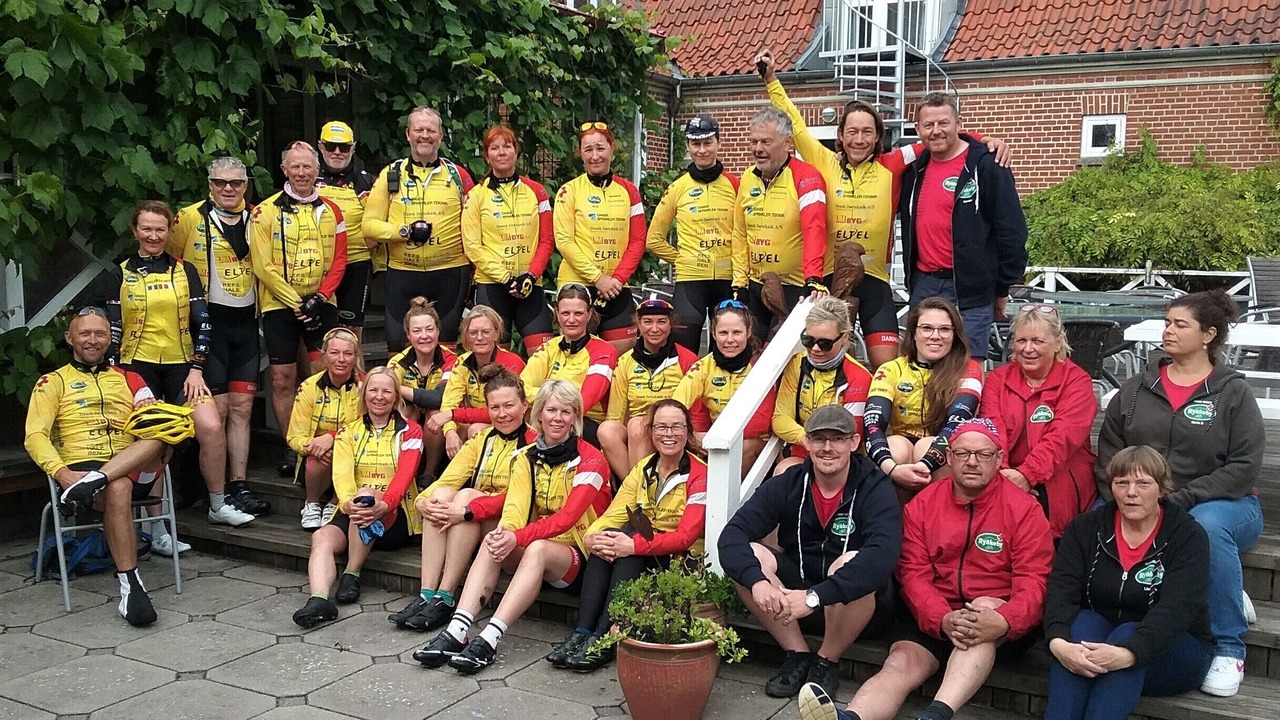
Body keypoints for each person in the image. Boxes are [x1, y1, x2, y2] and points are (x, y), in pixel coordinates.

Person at [757, 50, 1011, 369]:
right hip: (833, 279)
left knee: (887, 365)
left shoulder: (892, 164)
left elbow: (940, 137)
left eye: (867, 132)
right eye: (852, 132)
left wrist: (985, 141)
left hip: (876, 279)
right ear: (840, 136)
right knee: (826, 360)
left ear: (878, 136)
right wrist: (771, 81)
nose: (859, 139)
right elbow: (793, 122)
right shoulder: (824, 162)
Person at [801, 419, 1053, 720]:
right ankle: (850, 717)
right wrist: (942, 618)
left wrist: (1005, 620)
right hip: (934, 615)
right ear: (948, 458)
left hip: (1000, 624)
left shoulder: (1024, 508)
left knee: (980, 614)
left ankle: (935, 715)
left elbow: (1034, 580)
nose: (972, 462)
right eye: (962, 453)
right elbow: (912, 573)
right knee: (899, 663)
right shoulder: (923, 505)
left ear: (999, 459)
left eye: (983, 454)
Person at [1095, 289, 1265, 697]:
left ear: (1208, 335)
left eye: (1179, 324)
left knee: (1204, 530)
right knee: (1093, 520)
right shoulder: (1136, 389)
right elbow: (1108, 452)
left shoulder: (1233, 392)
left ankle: (1228, 645)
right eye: (1167, 322)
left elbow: (1244, 467)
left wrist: (1179, 500)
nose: (1167, 331)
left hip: (1224, 503)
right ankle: (1098, 624)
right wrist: (1127, 496)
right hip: (1140, 497)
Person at [413, 380, 611, 674]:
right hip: (533, 547)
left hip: (578, 556)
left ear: (576, 418)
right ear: (539, 414)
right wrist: (507, 534)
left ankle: (489, 640)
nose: (557, 418)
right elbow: (515, 509)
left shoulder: (592, 460)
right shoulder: (525, 457)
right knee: (497, 537)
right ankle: (457, 630)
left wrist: (516, 536)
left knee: (536, 548)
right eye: (551, 410)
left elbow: (567, 518)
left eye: (566, 412)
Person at [719, 405, 900, 699]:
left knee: (853, 561)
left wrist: (815, 597)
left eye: (838, 439)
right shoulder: (790, 483)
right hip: (794, 601)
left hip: (856, 610)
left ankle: (826, 660)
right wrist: (758, 582)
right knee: (749, 556)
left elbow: (883, 556)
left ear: (854, 443)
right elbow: (732, 535)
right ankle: (797, 654)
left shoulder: (874, 486)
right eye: (819, 439)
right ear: (806, 442)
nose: (827, 448)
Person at [25, 307, 191, 626]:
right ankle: (131, 586)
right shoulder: (52, 382)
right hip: (81, 470)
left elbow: (154, 420)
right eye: (85, 333)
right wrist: (63, 474)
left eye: (100, 333)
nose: (93, 340)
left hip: (134, 466)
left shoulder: (127, 378)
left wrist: (150, 408)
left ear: (109, 339)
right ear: (69, 338)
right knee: (118, 485)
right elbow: (34, 437)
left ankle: (98, 480)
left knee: (163, 431)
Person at [107, 200, 255, 528]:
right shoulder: (121, 271)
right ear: (135, 231)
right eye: (146, 228)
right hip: (136, 367)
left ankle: (218, 504)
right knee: (153, 439)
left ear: (169, 230)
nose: (154, 235)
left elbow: (203, 323)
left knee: (211, 426)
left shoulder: (184, 269)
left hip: (183, 366)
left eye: (160, 229)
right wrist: (117, 370)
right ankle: (156, 526)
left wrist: (197, 368)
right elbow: (113, 327)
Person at [1043, 446, 1212, 720]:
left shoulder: (1188, 536)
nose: (1131, 492)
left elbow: (1176, 611)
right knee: (1081, 629)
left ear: (1162, 488)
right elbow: (1061, 591)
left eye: (1143, 483)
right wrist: (1058, 643)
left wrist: (1128, 653)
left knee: (1126, 637)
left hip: (1174, 650)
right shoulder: (1085, 528)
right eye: (1122, 483)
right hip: (1099, 641)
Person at [551, 398, 709, 672]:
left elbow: (685, 537)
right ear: (651, 432)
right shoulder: (645, 467)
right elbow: (615, 512)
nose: (668, 434)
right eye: (661, 427)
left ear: (688, 432)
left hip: (680, 562)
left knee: (627, 550)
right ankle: (582, 632)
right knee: (609, 540)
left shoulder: (700, 475)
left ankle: (604, 637)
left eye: (676, 427)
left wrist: (633, 545)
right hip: (646, 550)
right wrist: (593, 535)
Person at [389, 366, 536, 632]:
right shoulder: (481, 440)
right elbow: (447, 479)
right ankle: (426, 593)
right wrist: (423, 500)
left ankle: (446, 596)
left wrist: (468, 510)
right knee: (442, 495)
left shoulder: (535, 444)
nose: (502, 414)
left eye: (509, 406)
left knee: (467, 497)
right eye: (494, 407)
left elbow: (518, 498)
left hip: (513, 528)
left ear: (525, 406)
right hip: (473, 520)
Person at [169, 157, 270, 517]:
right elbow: (172, 264)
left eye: (236, 183)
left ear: (247, 185)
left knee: (243, 408)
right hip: (210, 323)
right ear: (209, 184)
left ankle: (239, 485)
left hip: (246, 322)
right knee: (220, 409)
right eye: (220, 182)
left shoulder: (260, 216)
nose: (228, 189)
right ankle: (215, 488)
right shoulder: (190, 218)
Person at [899, 93, 1028, 359]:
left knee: (967, 366)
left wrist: (1002, 286)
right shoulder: (913, 171)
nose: (936, 131)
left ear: (959, 123)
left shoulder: (989, 166)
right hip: (924, 284)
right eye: (929, 125)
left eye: (944, 123)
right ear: (918, 130)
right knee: (920, 364)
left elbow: (1012, 233)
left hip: (971, 288)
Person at [292, 367, 424, 627]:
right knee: (321, 537)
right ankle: (319, 600)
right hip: (355, 509)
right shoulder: (347, 432)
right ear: (364, 395)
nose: (379, 396)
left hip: (395, 514)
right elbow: (341, 476)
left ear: (396, 396)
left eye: (387, 391)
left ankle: (352, 573)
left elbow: (405, 476)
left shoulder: (411, 431)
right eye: (373, 390)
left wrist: (383, 503)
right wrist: (347, 503)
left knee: (365, 497)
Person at [250, 141, 349, 460]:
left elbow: (340, 258)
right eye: (296, 166)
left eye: (308, 166)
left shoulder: (333, 210)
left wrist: (320, 298)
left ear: (318, 170)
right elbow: (262, 265)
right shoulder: (265, 210)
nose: (302, 172)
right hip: (280, 305)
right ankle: (292, 445)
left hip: (322, 302)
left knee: (324, 372)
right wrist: (297, 303)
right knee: (282, 378)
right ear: (284, 170)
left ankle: (323, 442)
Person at [979, 305, 1097, 538]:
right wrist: (1004, 476)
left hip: (1057, 478)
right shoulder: (996, 380)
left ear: (1058, 342)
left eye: (1038, 341)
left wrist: (1027, 475)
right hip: (1003, 477)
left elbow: (1062, 438)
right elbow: (992, 432)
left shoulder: (1077, 382)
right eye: (1021, 340)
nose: (1028, 349)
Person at [363, 106, 475, 352]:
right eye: (419, 130)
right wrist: (405, 232)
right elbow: (369, 227)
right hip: (403, 272)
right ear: (408, 134)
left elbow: (475, 222)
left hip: (449, 272)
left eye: (431, 130)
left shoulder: (458, 175)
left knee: (445, 346)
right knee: (396, 344)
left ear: (441, 136)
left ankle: (443, 391)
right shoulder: (391, 174)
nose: (425, 135)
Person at [864, 297, 984, 503]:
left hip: (943, 451)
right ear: (914, 333)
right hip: (899, 454)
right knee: (895, 446)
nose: (935, 336)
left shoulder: (969, 369)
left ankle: (935, 524)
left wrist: (925, 465)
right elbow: (873, 424)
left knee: (926, 445)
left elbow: (957, 423)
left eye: (945, 329)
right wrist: (891, 468)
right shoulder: (890, 369)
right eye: (927, 328)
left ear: (955, 335)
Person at [730, 107, 829, 338]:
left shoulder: (807, 177)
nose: (758, 149)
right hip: (755, 285)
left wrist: (813, 278)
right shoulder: (747, 177)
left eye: (766, 141)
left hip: (794, 288)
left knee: (788, 363)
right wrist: (739, 283)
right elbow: (739, 234)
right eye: (753, 141)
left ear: (787, 143)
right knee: (751, 360)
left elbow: (814, 229)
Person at [646, 115, 738, 352]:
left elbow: (746, 232)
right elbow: (653, 239)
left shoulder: (735, 185)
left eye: (708, 143)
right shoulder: (677, 188)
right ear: (688, 146)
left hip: (729, 280)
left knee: (727, 352)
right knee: (683, 353)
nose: (702, 150)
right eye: (696, 144)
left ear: (719, 143)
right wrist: (682, 259)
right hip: (690, 282)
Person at [554, 121, 647, 353]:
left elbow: (637, 241)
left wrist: (616, 279)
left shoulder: (629, 191)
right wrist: (597, 278)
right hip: (578, 284)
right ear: (580, 154)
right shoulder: (569, 191)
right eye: (588, 150)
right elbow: (564, 241)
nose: (595, 156)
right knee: (575, 358)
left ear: (611, 148)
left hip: (616, 285)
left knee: (619, 358)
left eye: (600, 148)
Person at [463, 124, 555, 354]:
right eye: (494, 148)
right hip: (493, 287)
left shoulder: (537, 191)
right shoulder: (476, 195)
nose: (501, 152)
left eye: (507, 146)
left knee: (543, 357)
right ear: (486, 156)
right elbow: (472, 246)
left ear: (516, 151)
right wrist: (505, 278)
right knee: (494, 363)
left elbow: (546, 240)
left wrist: (531, 275)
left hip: (530, 284)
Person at [597, 298, 699, 480]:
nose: (654, 329)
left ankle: (637, 491)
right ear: (637, 324)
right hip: (635, 432)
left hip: (672, 428)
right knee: (607, 429)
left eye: (661, 322)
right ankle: (636, 485)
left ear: (671, 324)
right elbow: (615, 413)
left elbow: (695, 409)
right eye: (647, 322)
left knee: (638, 425)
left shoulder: (687, 359)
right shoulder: (625, 361)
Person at [772, 297, 872, 475]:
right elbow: (780, 418)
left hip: (840, 459)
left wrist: (815, 444)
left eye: (825, 343)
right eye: (809, 341)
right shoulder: (797, 364)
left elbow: (850, 435)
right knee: (784, 471)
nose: (816, 349)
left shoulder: (859, 376)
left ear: (844, 338)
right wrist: (806, 439)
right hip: (802, 453)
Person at [672, 299, 774, 473]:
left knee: (744, 446)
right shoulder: (704, 367)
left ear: (748, 332)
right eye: (723, 333)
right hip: (716, 443)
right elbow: (675, 406)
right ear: (713, 333)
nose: (730, 340)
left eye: (736, 332)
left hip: (757, 445)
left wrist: (713, 438)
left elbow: (760, 424)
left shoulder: (763, 365)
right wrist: (691, 435)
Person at [521, 284, 619, 446]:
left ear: (589, 314)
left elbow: (582, 403)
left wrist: (545, 399)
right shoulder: (549, 347)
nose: (571, 320)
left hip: (587, 423)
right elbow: (522, 387)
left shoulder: (604, 350)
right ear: (557, 314)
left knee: (554, 418)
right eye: (565, 313)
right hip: (553, 419)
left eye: (578, 313)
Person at [288, 328, 365, 530]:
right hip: (320, 462)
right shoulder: (309, 387)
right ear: (324, 355)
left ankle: (335, 503)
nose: (341, 359)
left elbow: (368, 426)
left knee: (340, 451)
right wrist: (313, 445)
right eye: (334, 353)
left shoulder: (366, 387)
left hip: (357, 455)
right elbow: (294, 437)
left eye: (348, 354)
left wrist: (333, 437)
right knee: (321, 454)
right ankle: (311, 504)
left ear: (356, 357)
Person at [426, 304, 526, 459]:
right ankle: (430, 475)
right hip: (475, 419)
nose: (479, 338)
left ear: (497, 334)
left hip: (508, 423)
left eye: (486, 332)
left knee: (475, 429)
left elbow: (503, 412)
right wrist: (450, 431)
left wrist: (453, 415)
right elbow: (449, 402)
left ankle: (479, 478)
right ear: (466, 336)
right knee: (441, 421)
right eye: (473, 333)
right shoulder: (462, 362)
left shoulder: (511, 362)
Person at [315, 120, 377, 337]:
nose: (337, 152)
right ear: (321, 147)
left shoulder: (367, 182)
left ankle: (356, 372)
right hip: (317, 264)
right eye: (331, 146)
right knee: (315, 330)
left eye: (344, 147)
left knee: (351, 330)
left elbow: (378, 224)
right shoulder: (309, 179)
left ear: (353, 148)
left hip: (355, 264)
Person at [388, 297, 458, 476]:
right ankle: (400, 471)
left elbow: (439, 398)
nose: (424, 336)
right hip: (412, 417)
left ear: (438, 331)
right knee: (404, 412)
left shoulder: (452, 360)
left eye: (429, 329)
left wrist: (399, 389)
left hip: (440, 423)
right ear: (408, 334)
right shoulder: (398, 362)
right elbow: (386, 392)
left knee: (435, 413)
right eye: (417, 331)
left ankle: (429, 473)